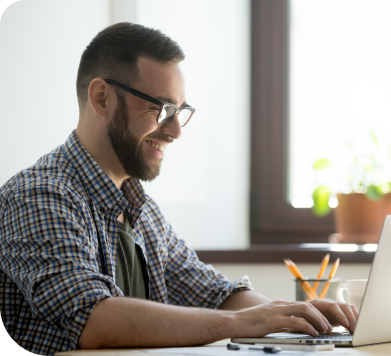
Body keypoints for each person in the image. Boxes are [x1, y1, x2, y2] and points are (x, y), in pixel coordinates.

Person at [0, 22, 358, 355]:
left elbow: (214, 295)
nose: (175, 131)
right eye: (162, 108)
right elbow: (93, 318)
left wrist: (295, 315)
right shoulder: (39, 195)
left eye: (181, 110)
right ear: (102, 98)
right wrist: (243, 323)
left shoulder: (141, 208)